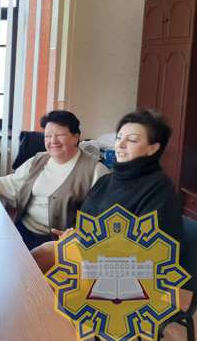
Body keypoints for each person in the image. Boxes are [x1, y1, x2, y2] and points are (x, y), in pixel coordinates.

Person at [31, 109, 184, 273]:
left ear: (152, 148)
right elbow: (87, 225)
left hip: (128, 273)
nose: (120, 145)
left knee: (47, 254)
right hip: (93, 260)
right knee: (42, 255)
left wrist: (84, 249)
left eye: (132, 140)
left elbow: (152, 252)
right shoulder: (106, 181)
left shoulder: (159, 190)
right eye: (119, 138)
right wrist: (73, 235)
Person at [0, 110, 109, 250]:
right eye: (47, 136)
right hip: (22, 231)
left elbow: (102, 222)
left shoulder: (95, 171)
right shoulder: (38, 160)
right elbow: (10, 184)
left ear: (76, 137)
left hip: (58, 244)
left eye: (59, 135)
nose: (53, 141)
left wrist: (77, 238)